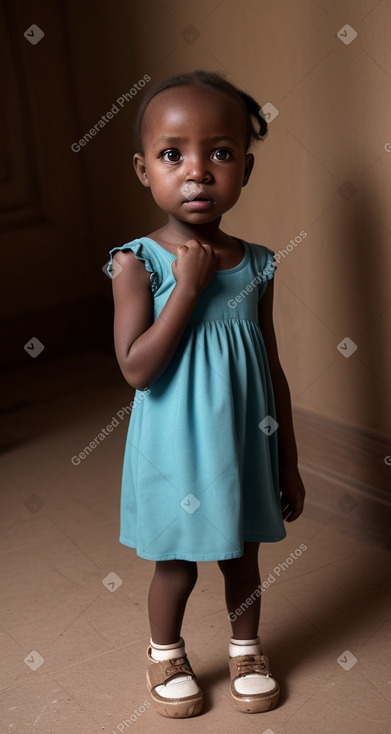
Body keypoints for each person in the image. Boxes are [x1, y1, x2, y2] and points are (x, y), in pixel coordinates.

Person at [108, 69, 305, 718]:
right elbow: (137, 369)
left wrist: (288, 460)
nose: (196, 172)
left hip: (243, 445)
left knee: (242, 558)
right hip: (174, 452)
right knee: (178, 565)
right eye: (172, 155)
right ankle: (164, 652)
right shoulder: (137, 262)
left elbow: (270, 368)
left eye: (219, 153)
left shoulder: (256, 264)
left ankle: (246, 647)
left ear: (244, 169)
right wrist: (187, 288)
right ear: (144, 170)